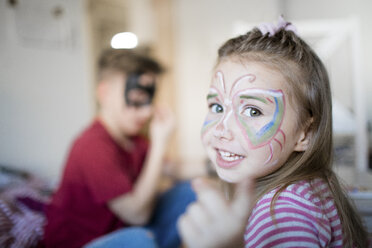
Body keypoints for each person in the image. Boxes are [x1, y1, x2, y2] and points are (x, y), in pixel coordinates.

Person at [178, 16, 369, 248]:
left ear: (305, 133)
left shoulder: (284, 213)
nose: (220, 130)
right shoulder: (307, 188)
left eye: (253, 111)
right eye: (217, 107)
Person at [44, 49, 195, 248]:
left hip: (123, 231)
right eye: (137, 97)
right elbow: (137, 214)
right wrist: (159, 143)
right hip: (83, 243)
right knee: (140, 239)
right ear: (104, 93)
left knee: (189, 191)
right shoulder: (92, 145)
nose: (148, 110)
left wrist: (223, 163)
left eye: (150, 99)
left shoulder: (133, 140)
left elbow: (173, 168)